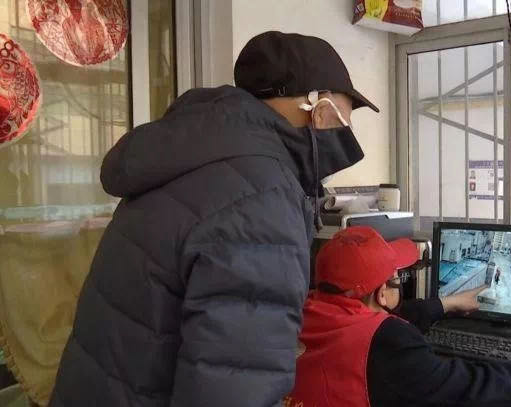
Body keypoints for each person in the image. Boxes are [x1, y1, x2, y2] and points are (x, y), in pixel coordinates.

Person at [50, 31, 378, 407]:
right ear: (316, 106)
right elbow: (236, 385)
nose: (344, 129)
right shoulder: (261, 197)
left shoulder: (194, 156)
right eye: (343, 115)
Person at [286, 226, 511, 407]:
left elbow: (388, 316)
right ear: (382, 294)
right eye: (397, 278)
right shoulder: (388, 343)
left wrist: (448, 303)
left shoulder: (298, 315)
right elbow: (476, 387)